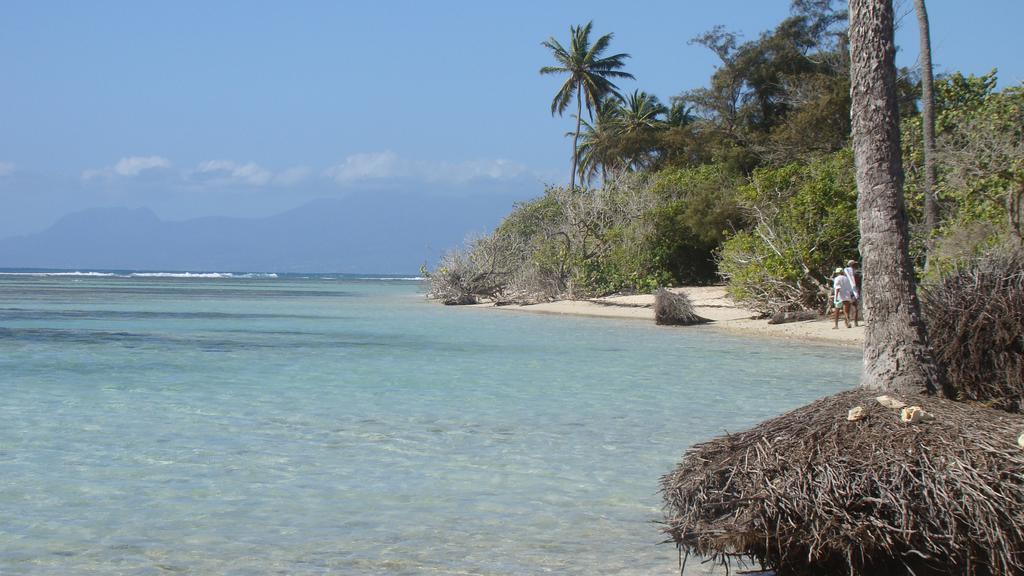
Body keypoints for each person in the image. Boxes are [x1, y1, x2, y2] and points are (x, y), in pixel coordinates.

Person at [843, 259, 860, 327]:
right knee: (855, 306)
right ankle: (855, 322)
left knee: (847, 308)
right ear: (853, 265)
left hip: (847, 291)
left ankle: (847, 322)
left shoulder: (846, 272)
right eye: (855, 264)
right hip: (853, 291)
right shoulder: (856, 272)